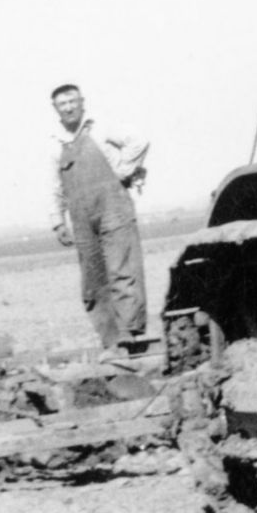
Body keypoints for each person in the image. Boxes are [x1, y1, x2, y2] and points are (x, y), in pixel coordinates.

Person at [49, 83, 148, 349]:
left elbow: (139, 142)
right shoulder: (57, 143)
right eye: (62, 104)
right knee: (93, 280)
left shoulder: (102, 127)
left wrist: (122, 173)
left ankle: (130, 334)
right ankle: (111, 341)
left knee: (122, 271)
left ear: (82, 102)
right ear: (56, 110)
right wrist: (58, 221)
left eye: (72, 101)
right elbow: (55, 186)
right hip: (81, 217)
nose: (69, 107)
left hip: (113, 208)